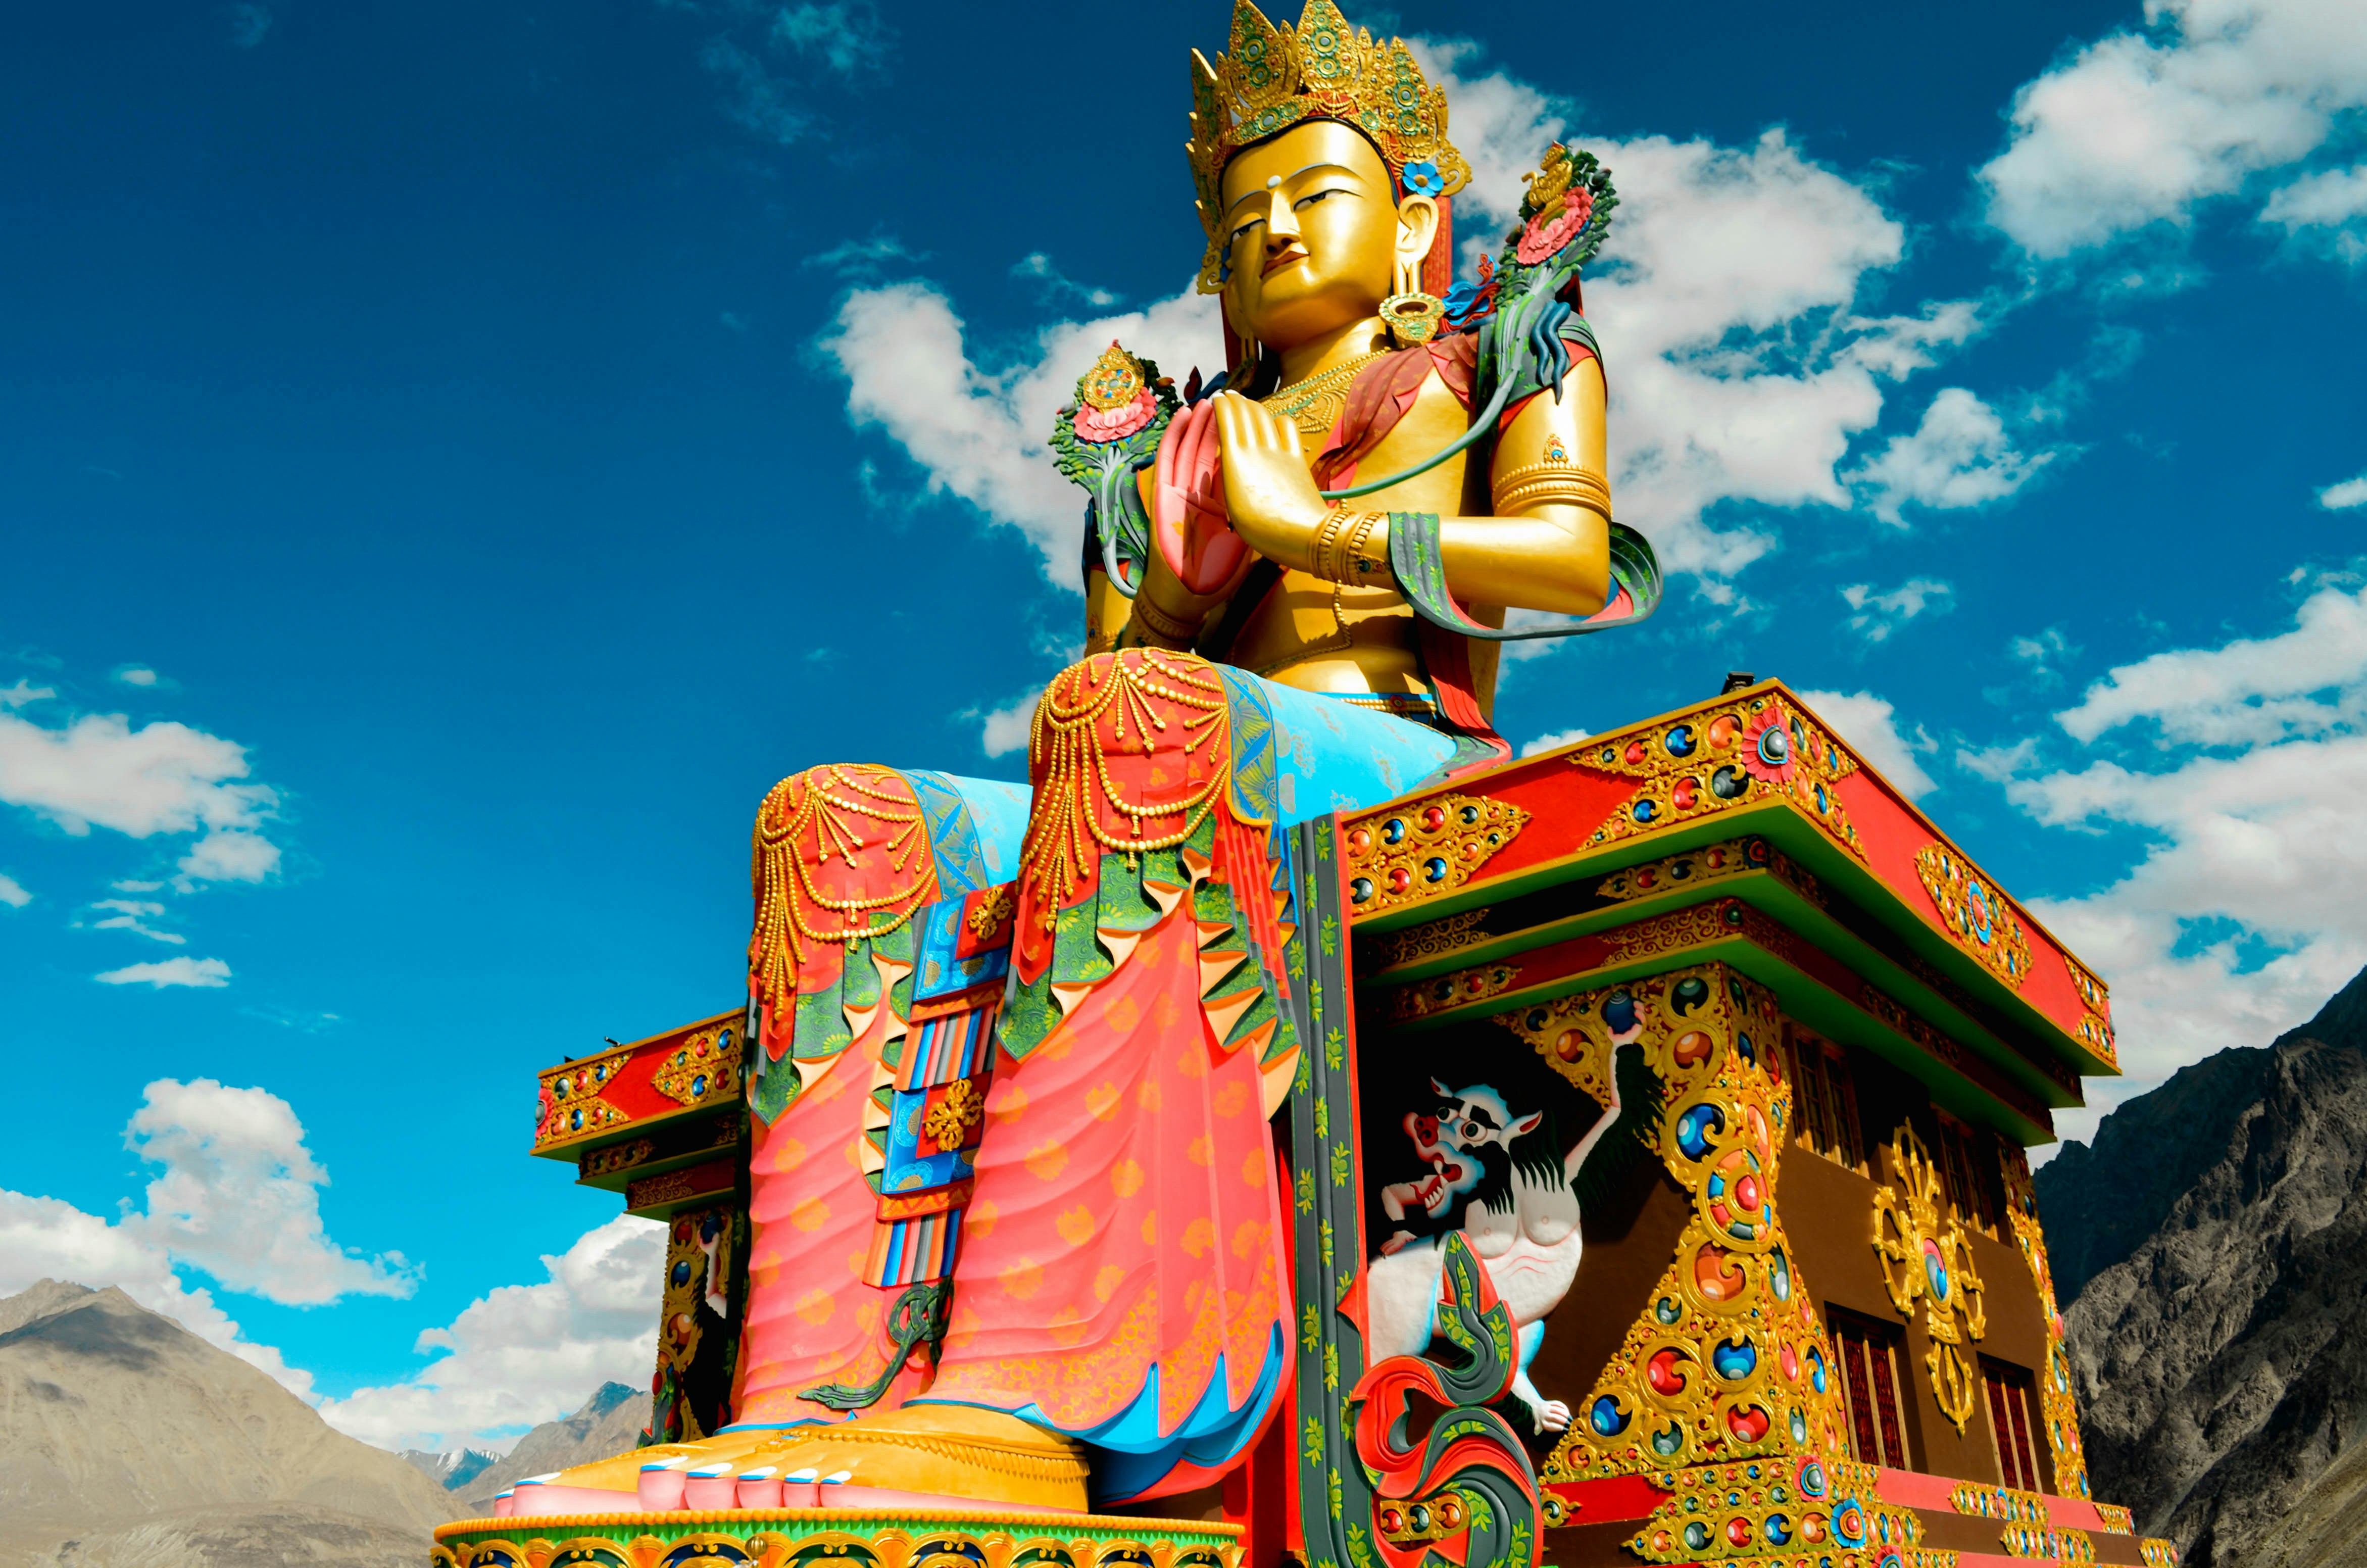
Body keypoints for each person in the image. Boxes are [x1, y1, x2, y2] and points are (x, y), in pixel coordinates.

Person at [516, 0, 1643, 1518]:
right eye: (1246, 220)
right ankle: (813, 1385)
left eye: (1319, 195)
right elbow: (1122, 666)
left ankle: (1049, 1384)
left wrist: (1317, 532)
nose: (1281, 235)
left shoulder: (1500, 355)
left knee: (1130, 727)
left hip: (1394, 741)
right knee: (832, 817)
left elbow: (1582, 569)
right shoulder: (1179, 443)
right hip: (1192, 749)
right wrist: (1181, 578)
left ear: (1419, 213)